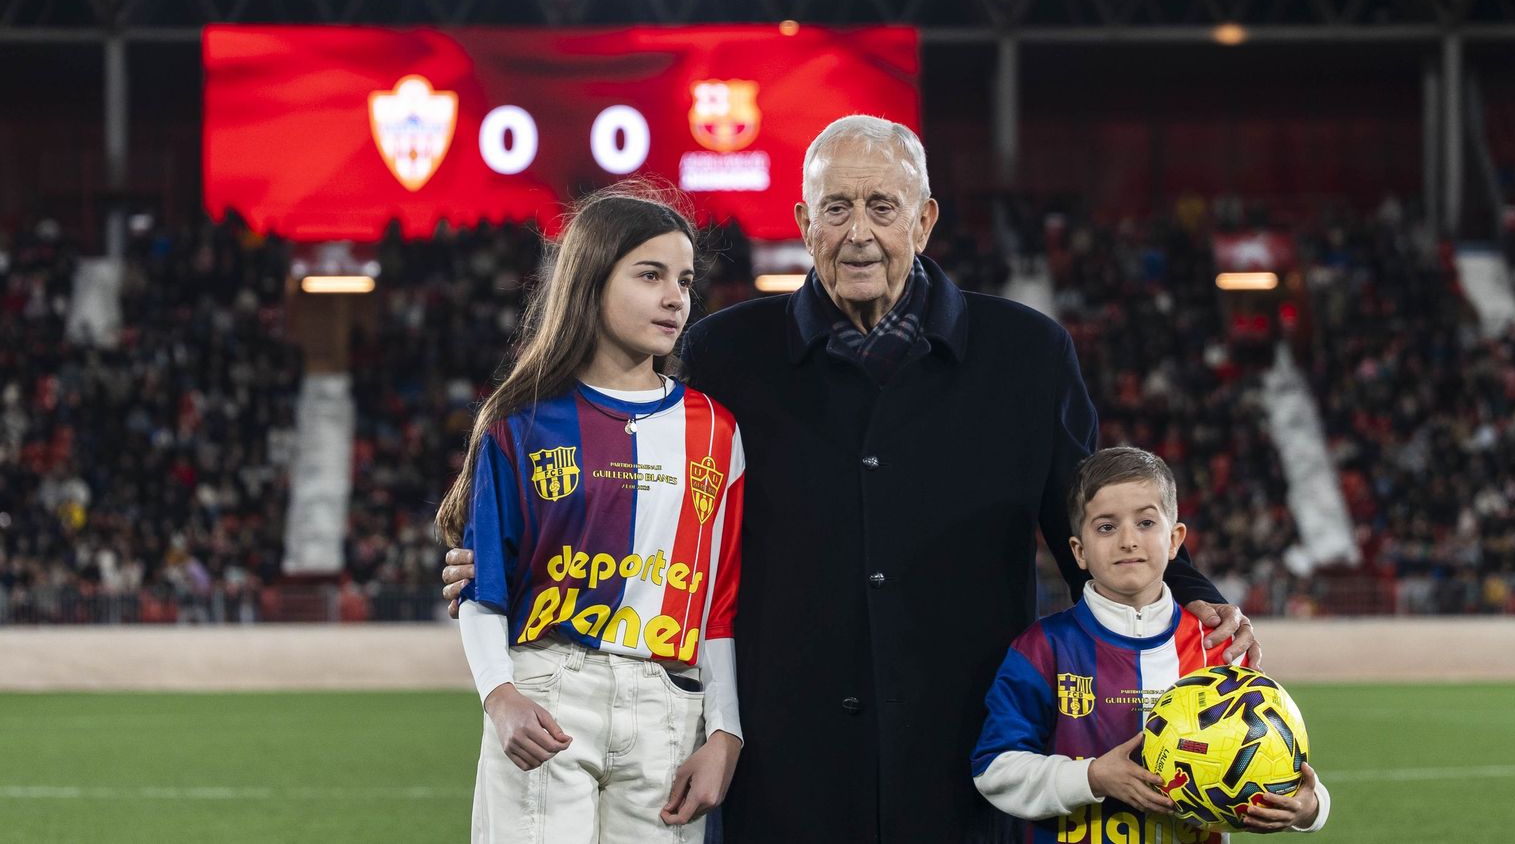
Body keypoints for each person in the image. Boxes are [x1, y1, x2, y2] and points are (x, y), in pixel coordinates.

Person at [444, 115, 1259, 843]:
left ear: (926, 219)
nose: (859, 232)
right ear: (803, 223)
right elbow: (633, 481)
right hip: (783, 770)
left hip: (963, 756)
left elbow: (1089, 518)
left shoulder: (1026, 354)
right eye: (836, 208)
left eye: (883, 206)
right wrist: (502, 561)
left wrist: (1189, 590)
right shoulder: (725, 355)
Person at [439, 185, 745, 843]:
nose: (675, 297)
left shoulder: (717, 431)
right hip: (548, 690)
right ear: (591, 281)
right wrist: (501, 696)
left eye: (685, 280)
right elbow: (481, 589)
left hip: (669, 706)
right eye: (650, 275)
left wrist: (725, 730)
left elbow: (717, 605)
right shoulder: (517, 423)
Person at [971, 447, 1330, 842]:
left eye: (1145, 522)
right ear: (1078, 551)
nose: (1128, 540)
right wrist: (1092, 777)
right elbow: (994, 770)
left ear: (1175, 540)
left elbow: (1274, 759)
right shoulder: (1042, 648)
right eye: (1106, 527)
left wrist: (1308, 808)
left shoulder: (1220, 649)